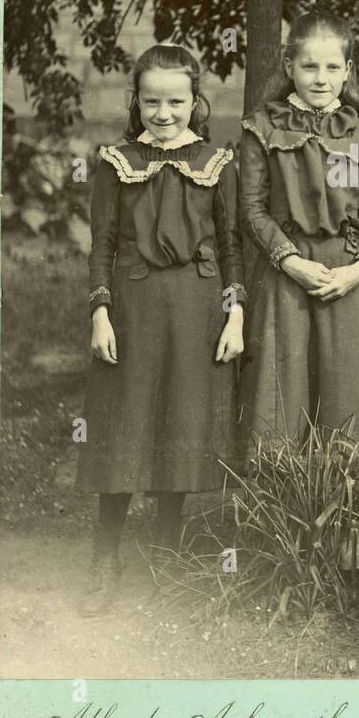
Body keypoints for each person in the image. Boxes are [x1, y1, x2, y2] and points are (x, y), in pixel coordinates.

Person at [79, 44, 245, 615]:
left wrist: (236, 312)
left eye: (176, 101)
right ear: (137, 102)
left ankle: (165, 559)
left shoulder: (216, 162)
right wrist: (100, 311)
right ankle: (105, 558)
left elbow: (230, 247)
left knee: (181, 427)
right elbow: (101, 244)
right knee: (123, 426)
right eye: (152, 101)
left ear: (195, 102)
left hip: (197, 310)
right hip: (132, 306)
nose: (164, 112)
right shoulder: (116, 162)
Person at [238, 9, 359, 456]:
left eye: (333, 67)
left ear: (347, 71)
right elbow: (252, 208)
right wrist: (290, 262)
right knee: (284, 392)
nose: (320, 77)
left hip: (348, 278)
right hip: (286, 276)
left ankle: (352, 516)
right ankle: (281, 517)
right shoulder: (261, 128)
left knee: (350, 391)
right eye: (309, 66)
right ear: (289, 66)